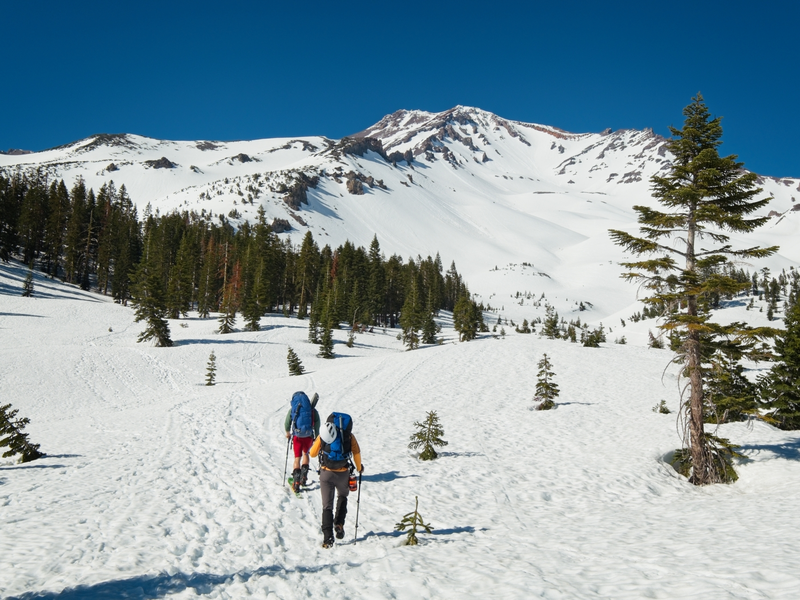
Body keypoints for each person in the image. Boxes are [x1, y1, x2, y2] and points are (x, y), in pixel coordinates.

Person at [310, 413, 363, 548]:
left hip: (326, 473)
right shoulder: (349, 436)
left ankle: (328, 538)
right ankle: (339, 523)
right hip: (343, 473)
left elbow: (313, 453)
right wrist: (359, 467)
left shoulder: (324, 434)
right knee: (343, 496)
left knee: (327, 506)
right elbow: (356, 453)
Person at [285, 391, 320, 493]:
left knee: (297, 458)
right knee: (306, 454)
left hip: (297, 436)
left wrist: (287, 432)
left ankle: (296, 482)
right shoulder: (312, 410)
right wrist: (317, 436)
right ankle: (303, 478)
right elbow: (317, 423)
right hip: (308, 436)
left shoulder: (294, 409)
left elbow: (287, 422)